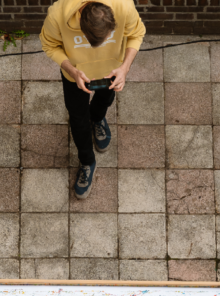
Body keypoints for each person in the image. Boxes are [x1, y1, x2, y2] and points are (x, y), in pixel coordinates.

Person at [42, 0, 145, 200]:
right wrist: (72, 70)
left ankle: (97, 119)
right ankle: (87, 161)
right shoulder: (57, 15)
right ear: (81, 24)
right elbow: (49, 45)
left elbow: (136, 33)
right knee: (78, 118)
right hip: (75, 76)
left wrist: (124, 68)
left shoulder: (124, 6)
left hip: (110, 72)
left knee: (105, 101)